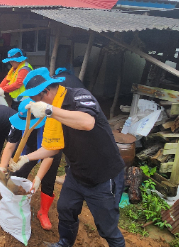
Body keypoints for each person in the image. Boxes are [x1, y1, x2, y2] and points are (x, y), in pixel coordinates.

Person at [10, 67, 125, 247]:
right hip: (77, 173)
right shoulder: (52, 111)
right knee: (65, 209)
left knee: (107, 228)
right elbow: (51, 148)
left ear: (46, 92)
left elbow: (87, 122)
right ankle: (65, 243)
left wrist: (49, 110)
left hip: (102, 176)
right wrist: (26, 158)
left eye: (34, 98)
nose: (34, 102)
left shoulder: (78, 96)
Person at [0, 98, 62, 231]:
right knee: (17, 173)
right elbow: (10, 145)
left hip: (51, 148)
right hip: (29, 145)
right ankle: (9, 203)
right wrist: (2, 168)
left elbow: (48, 156)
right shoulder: (18, 121)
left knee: (48, 180)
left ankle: (43, 212)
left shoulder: (50, 123)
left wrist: (37, 178)